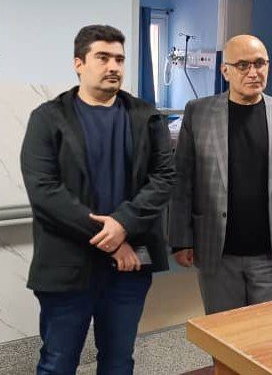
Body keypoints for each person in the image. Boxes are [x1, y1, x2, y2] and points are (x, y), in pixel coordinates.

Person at [20, 24, 176, 374]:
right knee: (58, 363)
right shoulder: (48, 118)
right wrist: (112, 239)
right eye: (103, 58)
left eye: (119, 59)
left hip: (129, 267)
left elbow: (164, 178)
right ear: (79, 63)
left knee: (118, 361)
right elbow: (44, 190)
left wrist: (124, 224)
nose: (113, 67)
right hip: (67, 265)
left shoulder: (146, 117)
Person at [169, 34, 272, 314]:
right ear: (225, 71)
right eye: (242, 65)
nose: (253, 72)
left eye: (260, 63)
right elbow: (183, 180)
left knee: (271, 332)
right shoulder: (199, 113)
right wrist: (181, 239)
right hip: (218, 252)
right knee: (224, 332)